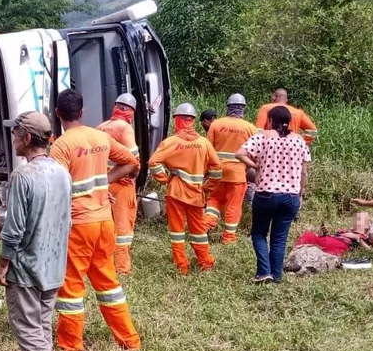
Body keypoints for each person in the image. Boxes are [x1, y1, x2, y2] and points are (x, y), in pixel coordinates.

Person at [50, 88, 141, 351]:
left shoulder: (60, 146)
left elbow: (57, 189)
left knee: (71, 287)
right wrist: (105, 181)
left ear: (58, 113)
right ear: (82, 112)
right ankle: (130, 340)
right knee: (109, 283)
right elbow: (132, 163)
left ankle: (71, 346)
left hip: (79, 225)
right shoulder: (100, 137)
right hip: (104, 222)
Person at [0, 111, 72, 351]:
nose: (13, 140)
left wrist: (3, 264)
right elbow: (67, 219)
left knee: (27, 325)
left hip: (27, 266)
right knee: (42, 321)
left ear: (27, 138)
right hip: (54, 265)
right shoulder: (62, 172)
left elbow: (14, 229)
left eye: (15, 135)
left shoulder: (23, 175)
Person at [237, 106, 310, 284]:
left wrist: (255, 166)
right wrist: (301, 194)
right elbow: (303, 172)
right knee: (279, 239)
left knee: (259, 233)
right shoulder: (299, 140)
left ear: (270, 120)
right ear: (289, 121)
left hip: (266, 194)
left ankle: (264, 272)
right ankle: (275, 277)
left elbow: (239, 153)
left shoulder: (262, 137)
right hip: (290, 196)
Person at [148, 103, 222, 275]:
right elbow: (217, 169)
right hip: (197, 194)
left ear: (177, 120)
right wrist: (208, 187)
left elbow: (153, 162)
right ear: (193, 121)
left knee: (177, 232)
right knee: (199, 231)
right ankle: (206, 263)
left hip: (176, 193)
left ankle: (181, 266)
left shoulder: (171, 142)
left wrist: (164, 179)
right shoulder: (204, 143)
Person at [205, 93, 258, 244]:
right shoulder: (250, 128)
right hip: (237, 174)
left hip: (218, 173)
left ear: (228, 107)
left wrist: (208, 171)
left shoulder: (216, 124)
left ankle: (206, 225)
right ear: (243, 108)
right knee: (233, 205)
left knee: (214, 200)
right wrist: (246, 170)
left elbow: (207, 150)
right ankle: (228, 237)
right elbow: (254, 156)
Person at [97, 93, 140, 274]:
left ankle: (103, 262)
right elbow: (134, 158)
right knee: (123, 227)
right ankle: (122, 267)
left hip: (103, 182)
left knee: (105, 224)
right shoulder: (125, 128)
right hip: (122, 183)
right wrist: (134, 175)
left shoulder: (101, 127)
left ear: (116, 107)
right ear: (131, 112)